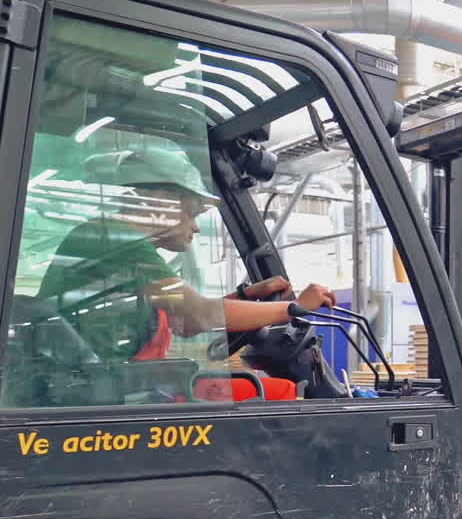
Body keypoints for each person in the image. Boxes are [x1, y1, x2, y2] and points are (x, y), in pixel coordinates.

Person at [38, 142, 335, 362]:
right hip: (93, 390)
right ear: (160, 200)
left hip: (105, 382)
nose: (195, 227)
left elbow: (185, 321)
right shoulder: (112, 238)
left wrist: (244, 297)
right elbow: (199, 314)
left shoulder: (121, 251)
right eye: (191, 213)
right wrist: (297, 308)